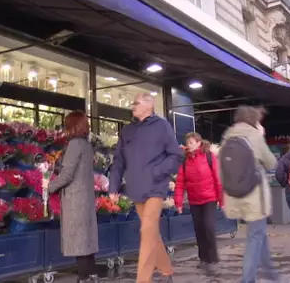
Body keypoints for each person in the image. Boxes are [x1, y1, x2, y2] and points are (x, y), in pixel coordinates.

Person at [109, 93, 182, 283]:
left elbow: (175, 156)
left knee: (147, 232)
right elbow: (118, 161)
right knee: (151, 233)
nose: (132, 106)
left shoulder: (162, 126)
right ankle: (166, 270)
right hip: (136, 188)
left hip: (156, 188)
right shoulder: (128, 130)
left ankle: (143, 280)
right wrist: (113, 187)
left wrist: (157, 172)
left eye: (136, 103)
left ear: (149, 106)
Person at [220, 106, 279, 282]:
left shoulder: (227, 137)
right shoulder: (254, 136)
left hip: (234, 196)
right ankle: (247, 280)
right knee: (254, 238)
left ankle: (272, 275)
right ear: (254, 120)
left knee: (259, 236)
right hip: (254, 198)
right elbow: (271, 163)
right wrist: (261, 137)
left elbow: (220, 170)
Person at [43, 111, 99, 282]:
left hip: (76, 200)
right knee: (86, 240)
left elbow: (67, 175)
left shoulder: (74, 144)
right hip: (86, 198)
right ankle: (92, 275)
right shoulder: (86, 145)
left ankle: (83, 278)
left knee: (79, 241)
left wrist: (49, 185)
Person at [174, 132, 222, 276]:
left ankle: (213, 259)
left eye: (191, 142)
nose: (188, 145)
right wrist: (178, 202)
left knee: (208, 227)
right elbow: (180, 183)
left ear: (198, 143)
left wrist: (222, 200)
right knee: (199, 229)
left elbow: (217, 178)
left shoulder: (209, 157)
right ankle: (203, 258)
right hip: (194, 200)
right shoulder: (184, 161)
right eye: (187, 143)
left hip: (209, 199)